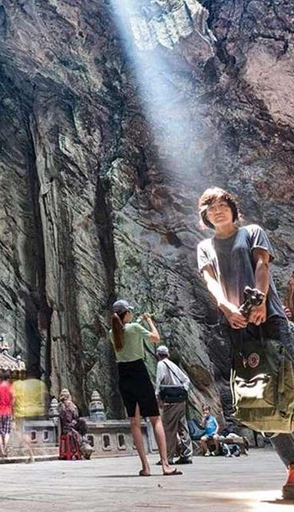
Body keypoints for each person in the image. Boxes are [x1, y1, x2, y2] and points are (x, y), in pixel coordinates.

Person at [196, 187, 294, 498]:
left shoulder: (252, 232)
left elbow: (262, 265)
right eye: (211, 208)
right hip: (237, 327)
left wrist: (262, 301)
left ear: (233, 209)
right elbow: (211, 281)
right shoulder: (205, 246)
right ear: (205, 216)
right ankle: (292, 467)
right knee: (259, 396)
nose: (218, 211)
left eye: (223, 205)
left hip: (271, 320)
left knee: (289, 384)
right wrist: (226, 308)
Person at [109, 300, 181, 476]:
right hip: (139, 373)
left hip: (124, 375)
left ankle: (145, 467)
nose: (132, 314)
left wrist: (138, 322)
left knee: (134, 421)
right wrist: (149, 321)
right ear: (126, 313)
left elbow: (127, 331)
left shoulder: (113, 333)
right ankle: (165, 464)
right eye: (130, 312)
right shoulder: (134, 328)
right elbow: (156, 338)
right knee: (155, 418)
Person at [155, 346, 192, 464]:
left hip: (170, 401)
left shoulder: (161, 364)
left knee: (169, 428)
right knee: (182, 426)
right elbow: (186, 380)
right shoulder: (172, 365)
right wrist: (182, 390)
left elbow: (159, 380)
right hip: (181, 400)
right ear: (168, 354)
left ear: (158, 355)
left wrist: (157, 396)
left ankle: (168, 457)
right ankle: (187, 455)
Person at [58, 388, 92, 460]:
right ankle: (83, 449)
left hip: (71, 426)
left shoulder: (67, 406)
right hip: (68, 428)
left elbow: (76, 417)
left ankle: (85, 446)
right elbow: (68, 418)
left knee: (82, 423)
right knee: (76, 433)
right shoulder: (65, 406)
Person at [0, 375, 14, 458]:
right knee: (7, 432)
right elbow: (13, 401)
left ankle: (2, 450)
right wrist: (13, 412)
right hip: (8, 412)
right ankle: (6, 446)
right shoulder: (10, 387)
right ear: (8, 379)